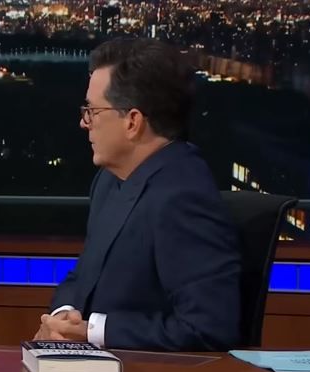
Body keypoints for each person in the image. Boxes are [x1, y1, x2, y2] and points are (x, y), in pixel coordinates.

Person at [34, 38, 241, 351]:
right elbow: (83, 276)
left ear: (133, 122)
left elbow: (208, 327)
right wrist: (62, 318)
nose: (83, 123)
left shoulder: (183, 197)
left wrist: (93, 331)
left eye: (92, 111)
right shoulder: (109, 182)